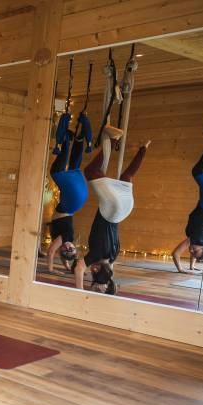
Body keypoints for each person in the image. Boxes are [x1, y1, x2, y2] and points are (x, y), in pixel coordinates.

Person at [73, 133, 150, 294]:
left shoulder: (113, 256)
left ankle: (144, 148)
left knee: (126, 176)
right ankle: (114, 138)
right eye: (93, 271)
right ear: (95, 268)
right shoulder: (95, 255)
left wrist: (106, 284)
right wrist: (79, 294)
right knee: (90, 171)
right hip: (112, 208)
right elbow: (79, 269)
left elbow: (109, 272)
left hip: (125, 209)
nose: (91, 268)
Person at [43, 121, 99, 272]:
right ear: (75, 247)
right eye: (72, 249)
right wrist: (50, 269)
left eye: (66, 250)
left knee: (74, 169)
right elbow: (50, 252)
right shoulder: (66, 238)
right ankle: (67, 140)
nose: (68, 247)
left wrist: (67, 267)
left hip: (75, 200)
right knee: (56, 172)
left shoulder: (64, 242)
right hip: (72, 202)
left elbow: (62, 254)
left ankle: (79, 140)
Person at [171, 144, 203, 273]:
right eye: (195, 251)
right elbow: (175, 254)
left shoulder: (194, 240)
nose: (191, 251)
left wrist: (187, 268)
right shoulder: (199, 239)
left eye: (191, 253)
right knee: (198, 172)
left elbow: (196, 251)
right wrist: (181, 270)